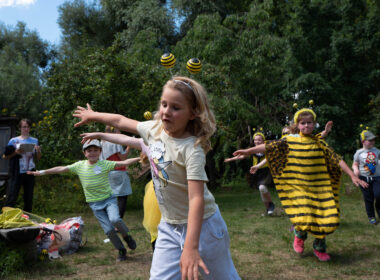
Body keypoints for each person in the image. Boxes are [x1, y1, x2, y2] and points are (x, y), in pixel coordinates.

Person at [74, 76, 240, 280]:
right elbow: (120, 121)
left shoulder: (191, 149)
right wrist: (94, 115)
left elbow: (196, 198)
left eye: (175, 107)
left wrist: (191, 246)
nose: (166, 111)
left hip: (204, 227)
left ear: (193, 113)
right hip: (169, 226)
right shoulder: (155, 130)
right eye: (164, 104)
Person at [233, 108, 367, 262]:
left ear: (314, 124)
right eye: (303, 123)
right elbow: (269, 146)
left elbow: (337, 159)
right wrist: (249, 151)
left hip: (320, 188)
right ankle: (299, 235)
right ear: (298, 125)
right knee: (304, 216)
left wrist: (351, 175)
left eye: (309, 123)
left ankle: (319, 248)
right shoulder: (290, 140)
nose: (306, 126)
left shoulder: (319, 143)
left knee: (324, 218)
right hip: (299, 188)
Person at [27, 139, 138, 262]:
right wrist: (41, 172)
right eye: (89, 151)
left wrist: (142, 157)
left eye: (95, 150)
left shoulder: (105, 164)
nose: (92, 153)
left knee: (115, 219)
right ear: (85, 153)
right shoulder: (80, 166)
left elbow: (124, 162)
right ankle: (121, 250)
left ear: (100, 152)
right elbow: (61, 169)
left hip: (109, 200)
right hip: (95, 205)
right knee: (109, 231)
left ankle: (127, 236)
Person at [225, 132, 276, 215]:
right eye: (255, 140)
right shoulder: (253, 150)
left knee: (262, 188)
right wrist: (230, 159)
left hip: (266, 171)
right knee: (261, 190)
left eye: (259, 140)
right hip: (256, 172)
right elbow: (242, 156)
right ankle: (268, 209)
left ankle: (271, 204)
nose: (257, 141)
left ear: (263, 141)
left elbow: (267, 159)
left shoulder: (266, 149)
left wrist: (258, 166)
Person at [2, 119, 41, 212]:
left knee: (28, 197)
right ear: (20, 128)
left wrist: (38, 150)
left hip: (30, 171)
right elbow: (5, 156)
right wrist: (16, 152)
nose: (26, 129)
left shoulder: (34, 140)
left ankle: (28, 217)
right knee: (12, 195)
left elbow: (38, 158)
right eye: (24, 127)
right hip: (16, 172)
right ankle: (7, 216)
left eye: (28, 127)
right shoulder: (13, 141)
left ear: (30, 128)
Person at [100, 125, 132, 219]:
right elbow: (123, 157)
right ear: (115, 131)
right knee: (122, 197)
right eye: (119, 130)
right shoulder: (116, 142)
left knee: (110, 198)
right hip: (118, 172)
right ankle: (118, 221)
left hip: (107, 172)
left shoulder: (102, 142)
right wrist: (129, 146)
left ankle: (110, 219)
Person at [352, 130, 380, 225]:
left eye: (373, 140)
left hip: (377, 177)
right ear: (363, 141)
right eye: (370, 140)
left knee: (378, 195)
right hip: (364, 178)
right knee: (368, 198)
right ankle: (371, 217)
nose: (372, 142)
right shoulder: (359, 153)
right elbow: (355, 164)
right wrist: (355, 170)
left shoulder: (377, 151)